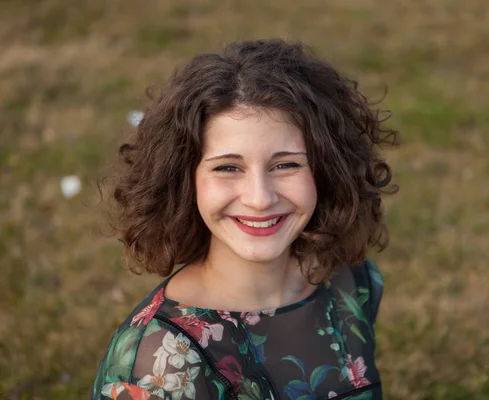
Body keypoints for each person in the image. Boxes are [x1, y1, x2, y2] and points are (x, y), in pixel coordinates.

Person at [91, 39, 398, 400]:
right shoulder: (158, 362)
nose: (260, 198)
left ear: (328, 171)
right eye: (228, 167)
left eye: (286, 164)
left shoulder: (351, 282)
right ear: (183, 180)